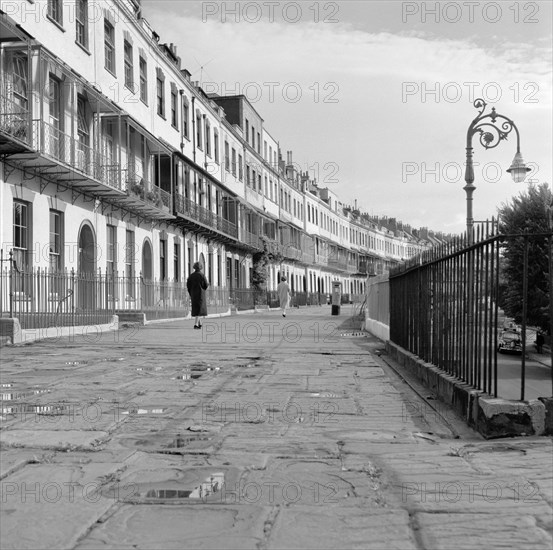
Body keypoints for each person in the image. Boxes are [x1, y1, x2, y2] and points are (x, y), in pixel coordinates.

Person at [186, 262, 209, 329]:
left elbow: (188, 285)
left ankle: (200, 323)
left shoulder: (191, 276)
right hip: (200, 294)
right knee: (199, 309)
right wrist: (203, 289)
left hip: (193, 293)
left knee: (196, 308)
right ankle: (196, 324)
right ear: (201, 268)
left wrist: (191, 292)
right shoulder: (202, 275)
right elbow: (206, 285)